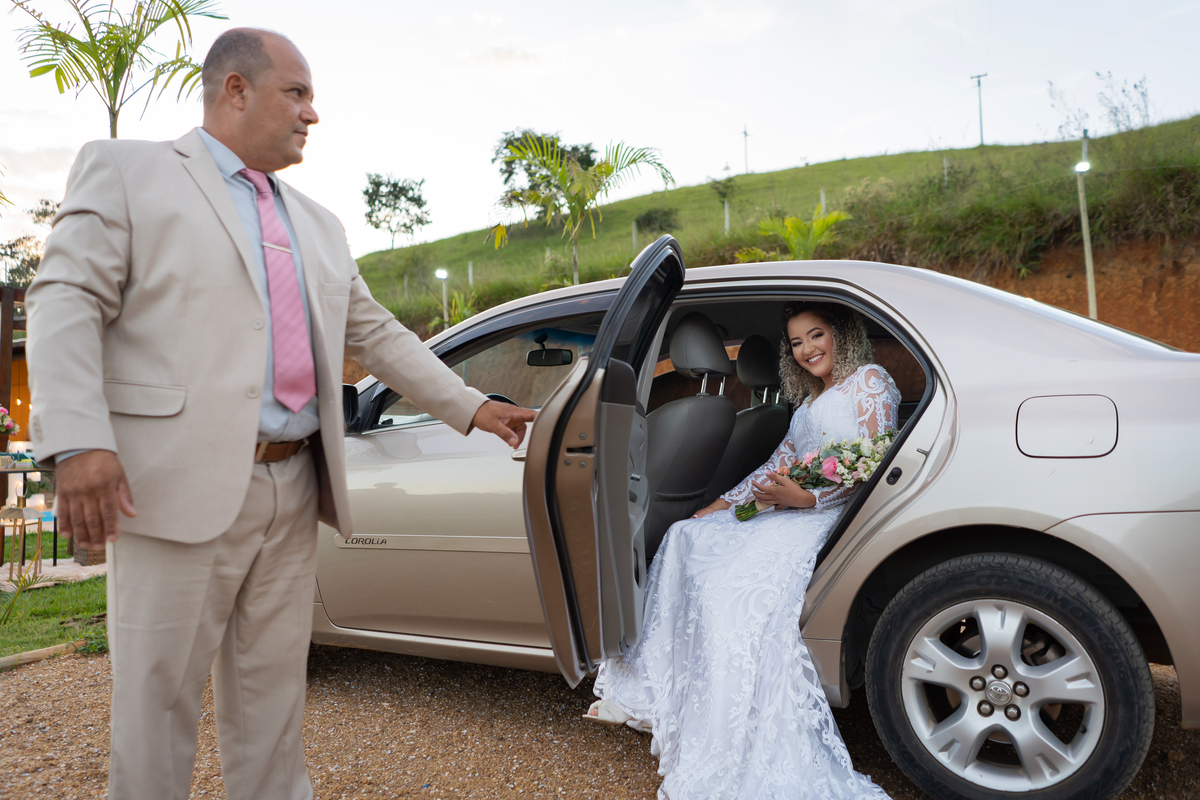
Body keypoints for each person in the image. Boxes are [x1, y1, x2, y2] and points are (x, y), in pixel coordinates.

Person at [26, 28, 535, 800]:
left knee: (273, 702)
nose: (312, 114)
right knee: (155, 704)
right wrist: (76, 441)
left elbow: (377, 334)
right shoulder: (128, 171)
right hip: (169, 488)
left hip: (294, 488)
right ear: (236, 88)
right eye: (296, 94)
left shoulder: (319, 224)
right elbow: (66, 299)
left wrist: (473, 406)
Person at [585, 301, 899, 800]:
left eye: (816, 335)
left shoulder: (870, 382)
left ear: (842, 335)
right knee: (686, 536)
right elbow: (777, 465)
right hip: (788, 507)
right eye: (796, 343)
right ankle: (654, 690)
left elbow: (877, 465)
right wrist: (718, 504)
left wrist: (810, 497)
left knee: (730, 586)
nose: (807, 350)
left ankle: (721, 713)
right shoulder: (809, 403)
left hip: (827, 516)